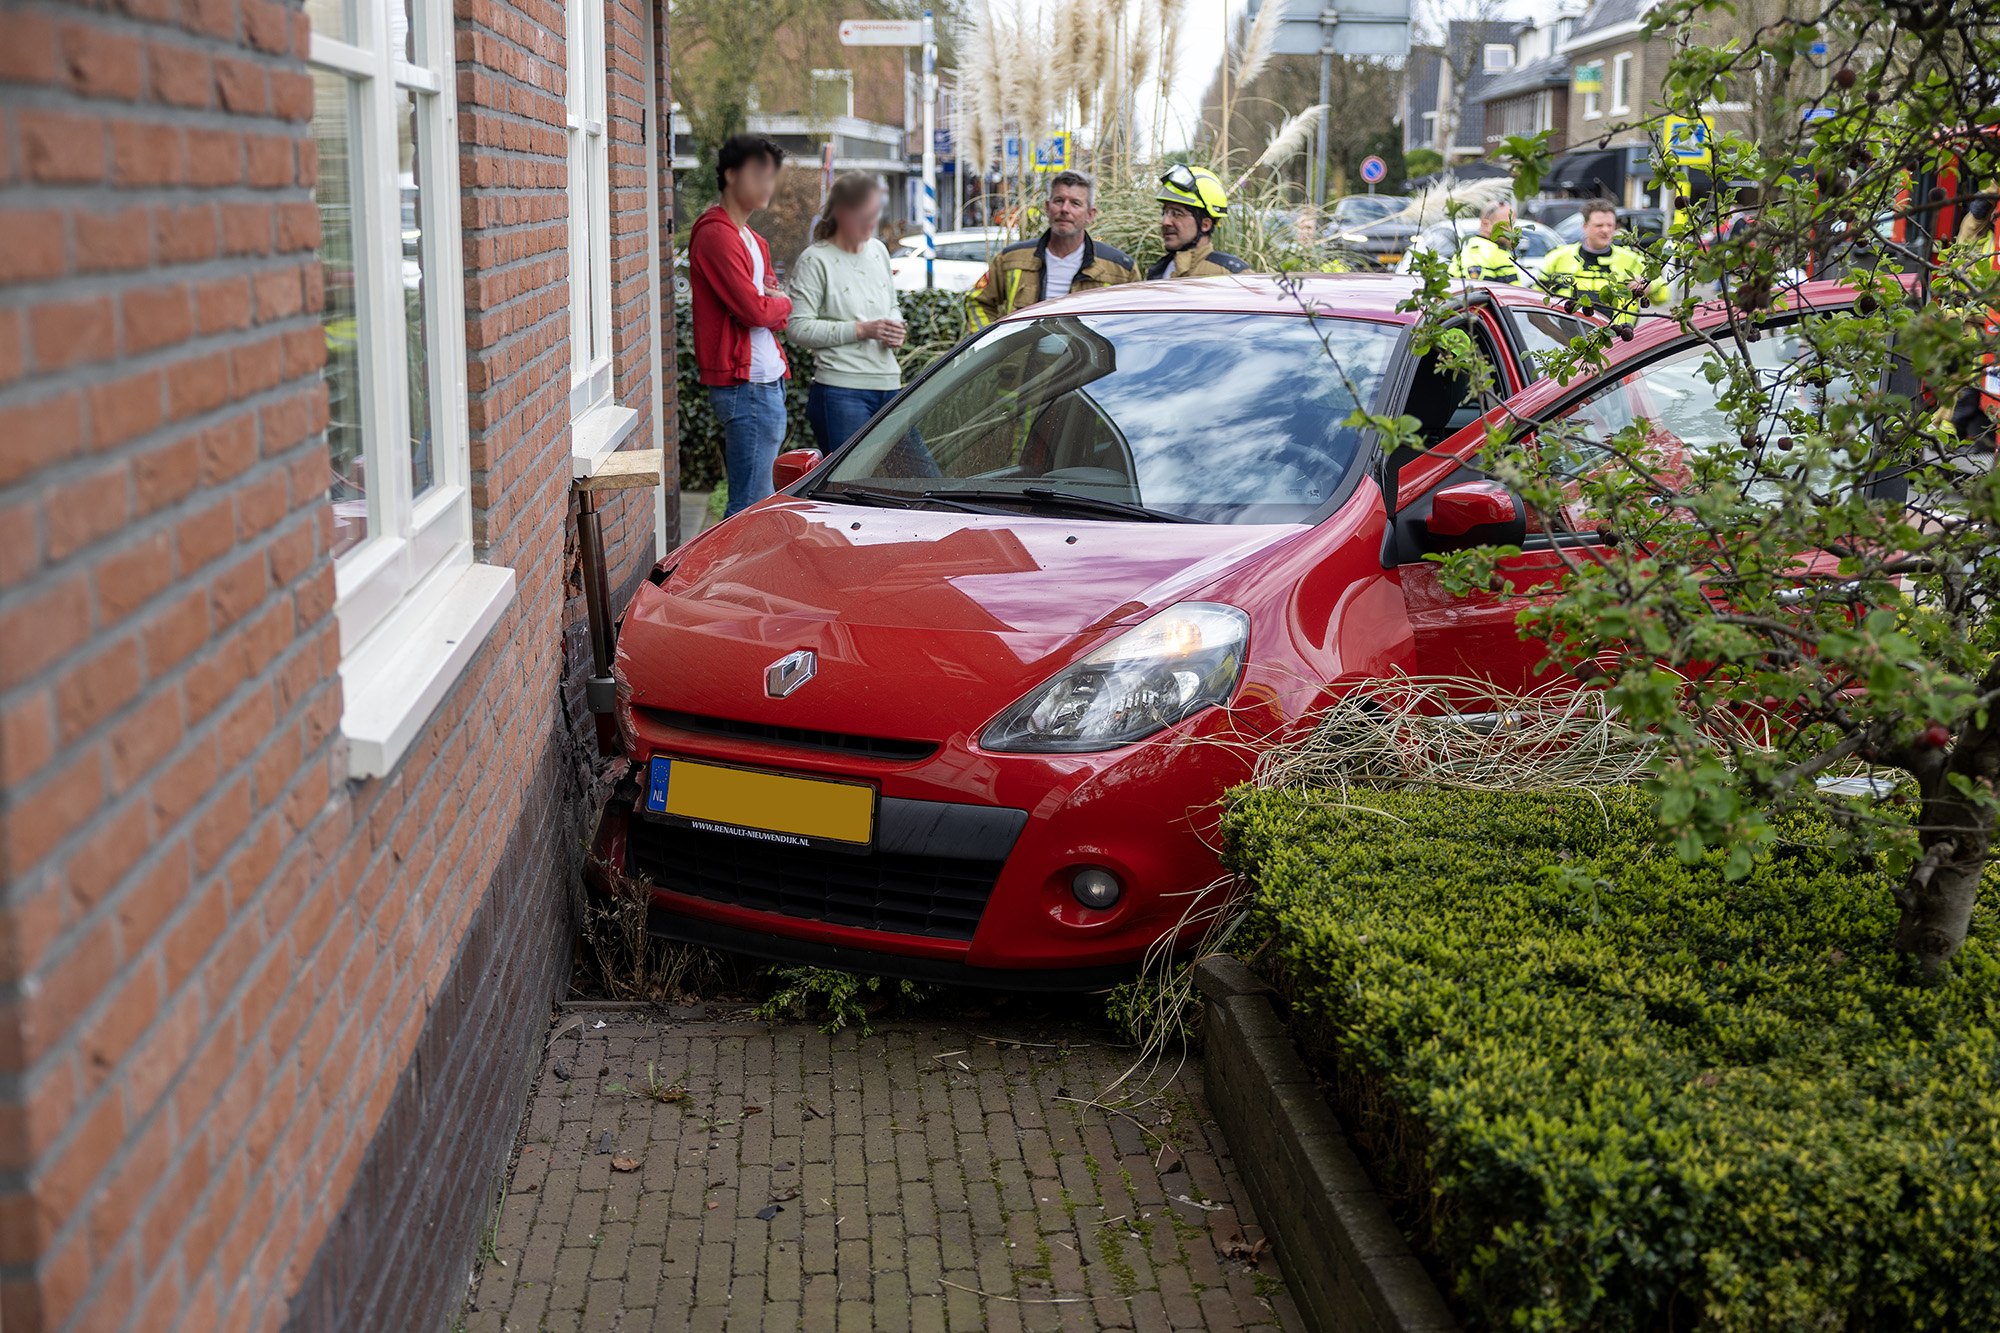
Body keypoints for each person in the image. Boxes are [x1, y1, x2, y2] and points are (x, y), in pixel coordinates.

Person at [689, 133, 792, 517]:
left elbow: (770, 305)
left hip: (766, 381)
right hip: (745, 386)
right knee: (748, 507)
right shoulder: (716, 234)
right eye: (759, 173)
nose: (768, 184)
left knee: (758, 501)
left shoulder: (753, 240)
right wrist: (778, 304)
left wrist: (774, 305)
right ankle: (733, 578)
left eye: (771, 176)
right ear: (731, 174)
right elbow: (755, 310)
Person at [787, 172, 908, 455]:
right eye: (864, 215)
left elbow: (891, 303)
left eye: (875, 214)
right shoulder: (815, 259)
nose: (872, 223)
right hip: (840, 391)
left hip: (889, 383)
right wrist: (862, 330)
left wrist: (894, 326)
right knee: (848, 490)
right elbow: (797, 327)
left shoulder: (878, 250)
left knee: (920, 478)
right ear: (841, 212)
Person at [968, 170, 1138, 327]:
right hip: (1024, 360)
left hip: (1090, 361)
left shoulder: (1120, 269)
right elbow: (977, 302)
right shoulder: (1010, 259)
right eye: (1059, 201)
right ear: (1048, 208)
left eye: (1075, 203)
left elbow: (1136, 322)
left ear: (1090, 215)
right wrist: (996, 347)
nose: (1065, 209)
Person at [1539, 199, 1668, 316]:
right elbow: (1538, 301)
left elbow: (1664, 296)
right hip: (1569, 338)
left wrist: (1650, 286)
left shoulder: (1632, 259)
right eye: (1599, 225)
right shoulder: (1557, 258)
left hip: (1618, 337)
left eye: (1610, 225)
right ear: (1585, 226)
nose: (1605, 230)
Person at [1148, 165, 1248, 279]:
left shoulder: (1232, 274)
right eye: (1165, 213)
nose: (1165, 222)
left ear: (1205, 224)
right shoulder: (1159, 270)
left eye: (1177, 214)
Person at [1446, 199, 1523, 284]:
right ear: (1486, 224)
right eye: (1506, 225)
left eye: (1513, 225)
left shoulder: (1465, 253)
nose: (1511, 231)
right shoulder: (1488, 254)